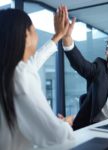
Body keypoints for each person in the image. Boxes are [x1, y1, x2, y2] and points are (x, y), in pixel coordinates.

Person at [0, 7, 74, 150]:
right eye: (34, 30)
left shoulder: (8, 71)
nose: (37, 36)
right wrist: (65, 123)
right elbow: (54, 135)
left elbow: (33, 62)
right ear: (26, 34)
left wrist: (58, 35)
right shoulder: (20, 74)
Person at [62, 14, 108, 130]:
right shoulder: (98, 68)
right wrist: (67, 37)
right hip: (94, 127)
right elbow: (79, 63)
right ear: (106, 52)